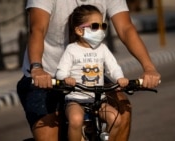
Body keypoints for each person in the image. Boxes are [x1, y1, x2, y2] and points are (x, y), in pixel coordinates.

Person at [17, 0, 161, 141]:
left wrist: (149, 68)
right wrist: (37, 68)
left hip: (87, 75)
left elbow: (126, 28)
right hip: (46, 76)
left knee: (123, 111)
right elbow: (37, 29)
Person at [55, 5, 129, 141]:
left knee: (116, 118)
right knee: (76, 120)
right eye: (95, 26)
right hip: (76, 99)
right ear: (79, 30)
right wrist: (66, 78)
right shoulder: (72, 49)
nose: (100, 30)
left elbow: (114, 67)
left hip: (98, 100)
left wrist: (120, 78)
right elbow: (60, 72)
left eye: (103, 26)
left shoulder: (102, 49)